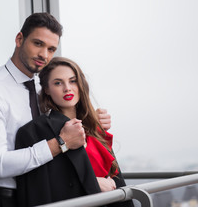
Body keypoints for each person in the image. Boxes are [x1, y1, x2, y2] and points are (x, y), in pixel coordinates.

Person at [0, 12, 112, 207]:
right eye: (38, 44)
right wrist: (60, 143)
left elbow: (65, 125)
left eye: (51, 49)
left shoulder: (44, 88)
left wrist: (94, 120)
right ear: (19, 39)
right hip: (5, 199)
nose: (45, 55)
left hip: (42, 194)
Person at [15, 57, 134, 207]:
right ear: (46, 89)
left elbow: (116, 178)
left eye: (72, 81)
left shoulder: (94, 126)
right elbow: (41, 190)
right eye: (58, 83)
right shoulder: (33, 132)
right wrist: (94, 183)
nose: (67, 88)